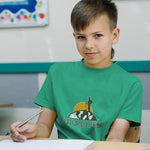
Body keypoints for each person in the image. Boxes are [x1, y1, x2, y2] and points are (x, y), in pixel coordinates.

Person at [10, 0, 143, 142]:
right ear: (74, 37)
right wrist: (33, 130)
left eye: (97, 35)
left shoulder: (131, 84)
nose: (88, 45)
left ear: (114, 35)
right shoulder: (57, 73)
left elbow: (115, 138)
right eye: (81, 37)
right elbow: (44, 127)